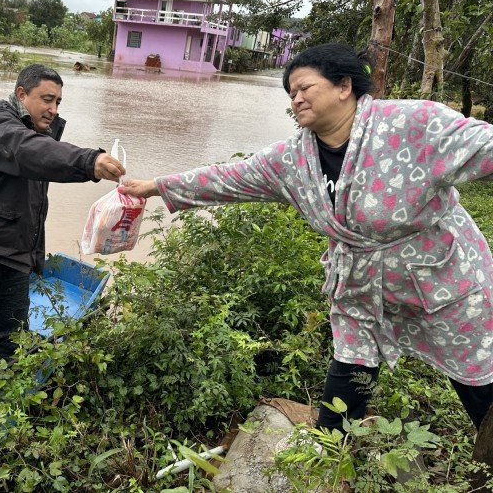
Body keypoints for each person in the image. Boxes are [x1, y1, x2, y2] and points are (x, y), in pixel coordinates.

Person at [119, 43, 493, 456]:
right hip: (360, 283)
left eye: (303, 88)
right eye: (290, 93)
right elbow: (227, 178)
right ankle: (326, 454)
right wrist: (154, 187)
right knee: (351, 362)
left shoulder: (414, 123)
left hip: (442, 277)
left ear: (343, 86)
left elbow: (483, 145)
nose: (295, 99)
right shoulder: (292, 159)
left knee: (478, 374)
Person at [0, 64, 125, 428]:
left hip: (14, 259)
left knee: (14, 336)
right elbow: (28, 151)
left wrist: (33, 258)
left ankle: (15, 393)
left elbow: (35, 197)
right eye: (47, 99)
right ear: (20, 94)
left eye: (59, 102)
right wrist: (89, 160)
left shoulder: (41, 135)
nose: (54, 109)